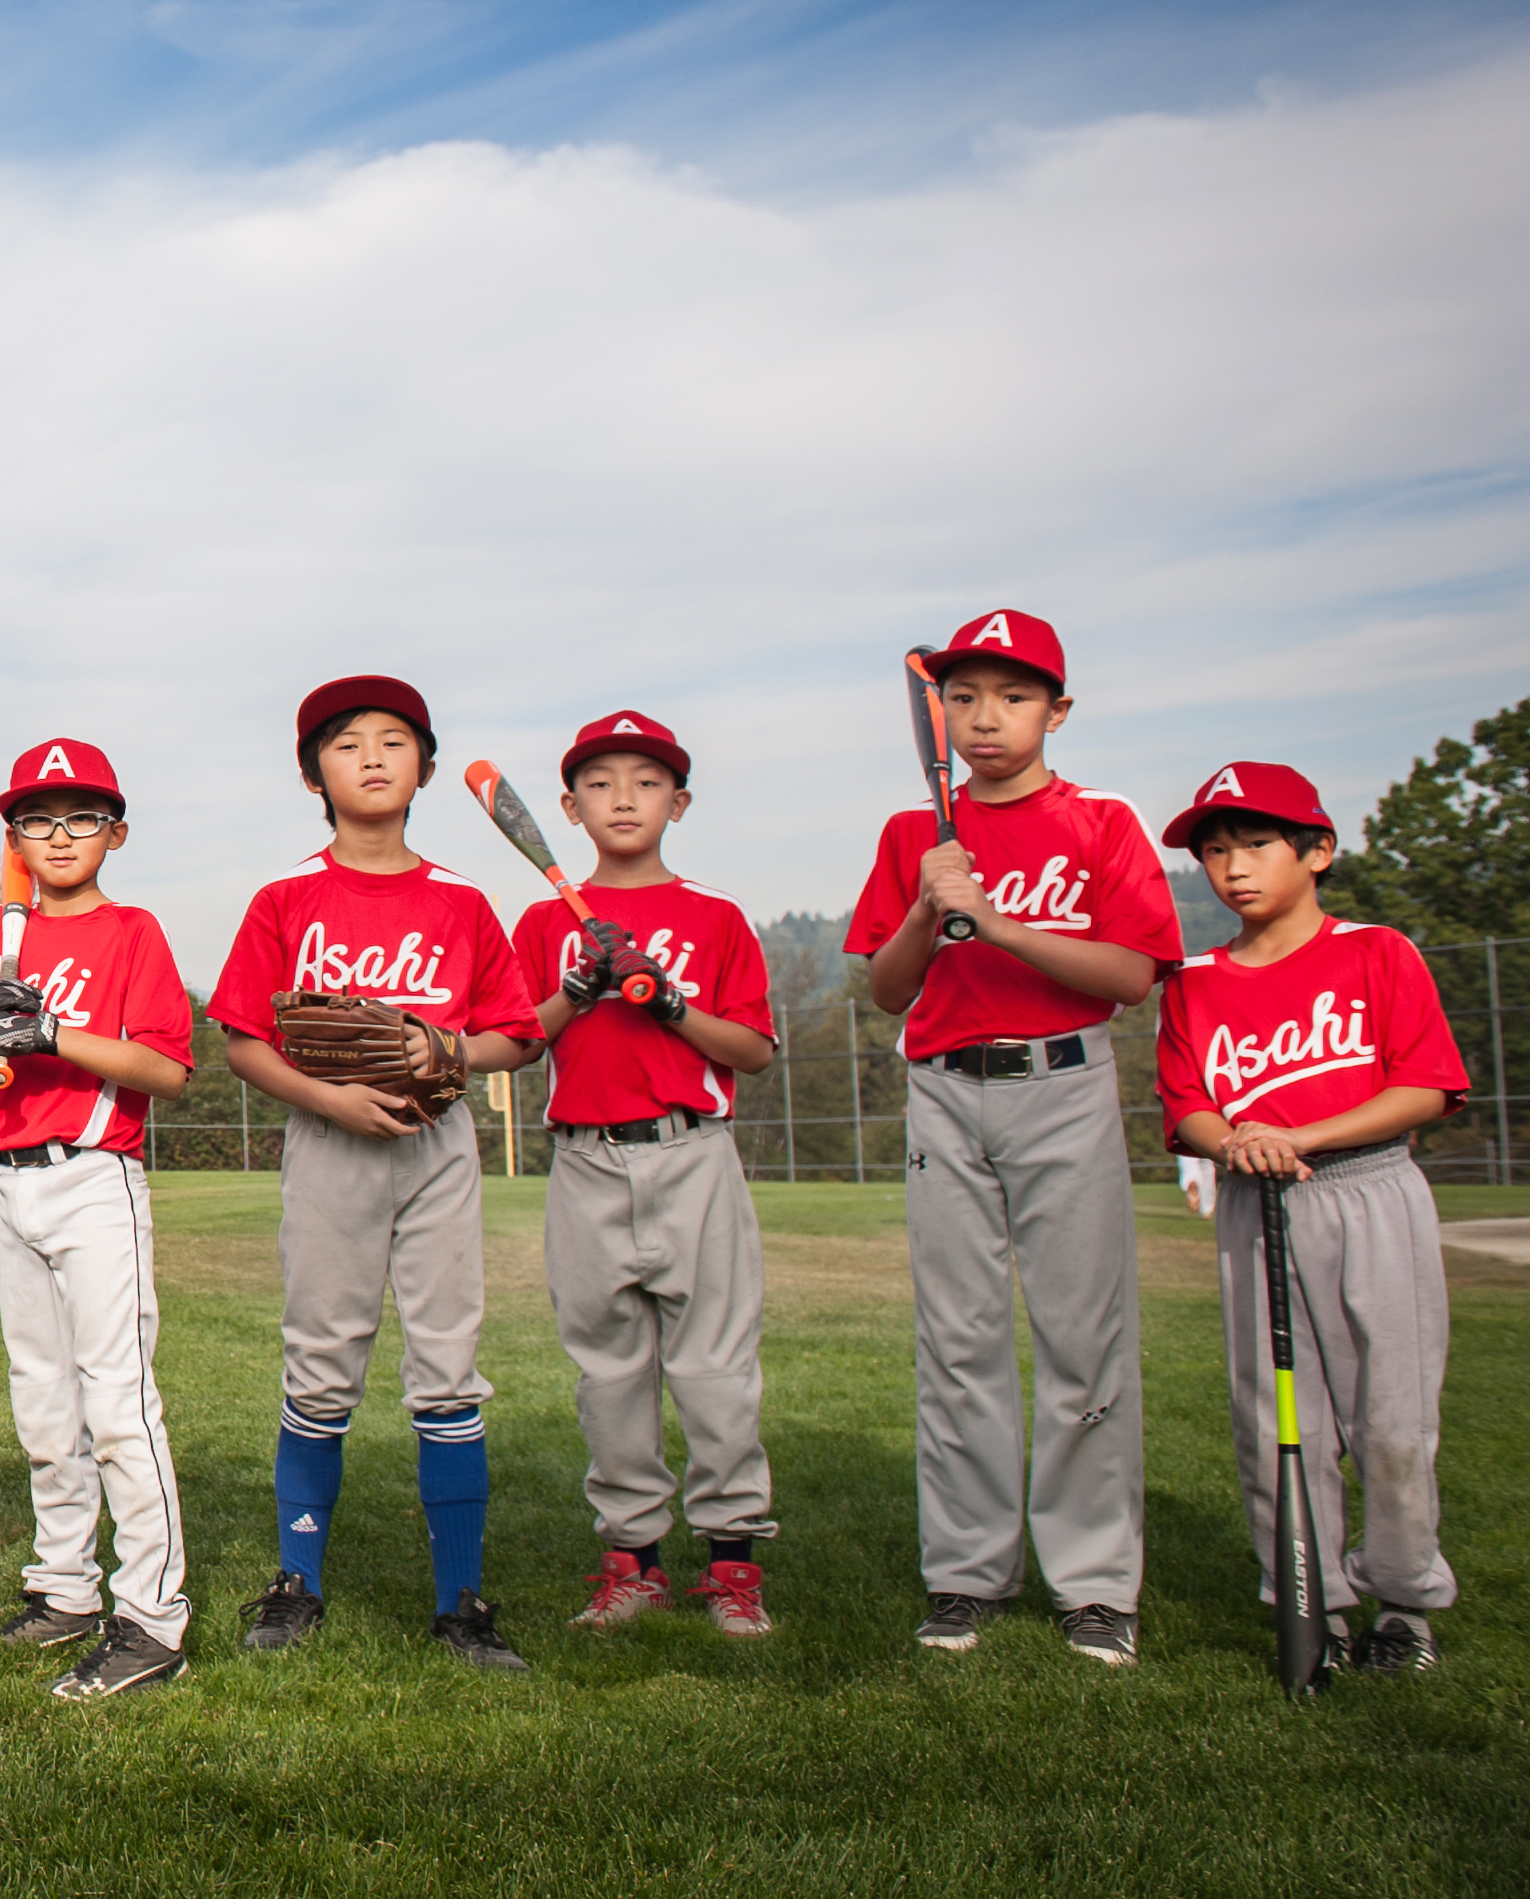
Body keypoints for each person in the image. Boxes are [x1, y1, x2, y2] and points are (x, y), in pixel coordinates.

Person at [845, 610, 1181, 1667]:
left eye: (1013, 695)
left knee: (1082, 1339)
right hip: (944, 1086)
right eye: (963, 696)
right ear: (938, 709)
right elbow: (891, 989)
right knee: (958, 1341)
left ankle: (1092, 1583)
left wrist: (988, 917)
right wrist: (927, 909)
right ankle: (965, 1573)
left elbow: (1129, 976)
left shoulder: (1099, 820)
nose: (984, 717)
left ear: (1057, 710)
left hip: (1063, 1080)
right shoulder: (914, 833)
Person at [209, 677, 545, 1673]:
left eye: (393, 740)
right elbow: (243, 1039)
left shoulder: (460, 901)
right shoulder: (285, 898)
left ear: (425, 769)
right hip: (330, 1139)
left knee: (447, 1365)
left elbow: (515, 1034)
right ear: (314, 770)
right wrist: (333, 1098)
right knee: (320, 1358)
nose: (369, 756)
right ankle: (296, 1578)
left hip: (437, 1143)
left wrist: (451, 1050)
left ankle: (459, 1600)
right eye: (345, 742)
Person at [1153, 761, 1467, 1677]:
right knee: (1277, 1418)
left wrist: (1297, 1132)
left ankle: (1404, 1600)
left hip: (1369, 1189)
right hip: (1259, 1200)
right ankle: (1313, 1599)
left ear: (1317, 849)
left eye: (1254, 843)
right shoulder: (1194, 981)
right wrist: (1232, 1142)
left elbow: (1426, 1084)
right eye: (1213, 850)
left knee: (1393, 1419)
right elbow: (1185, 1107)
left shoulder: (1375, 950)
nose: (1232, 866)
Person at [504, 714, 783, 1639]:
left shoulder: (715, 914)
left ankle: (733, 1562)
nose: (622, 796)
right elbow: (510, 1041)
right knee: (607, 1370)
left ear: (679, 801)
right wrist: (575, 992)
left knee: (712, 1368)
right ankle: (634, 1562)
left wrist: (668, 1001)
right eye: (600, 781)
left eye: (646, 781)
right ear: (569, 807)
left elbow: (749, 1046)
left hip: (691, 1151)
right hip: (583, 1157)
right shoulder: (547, 920)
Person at [0, 739, 198, 1700]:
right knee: (42, 1403)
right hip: (11, 1177)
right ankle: (64, 1588)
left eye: (81, 816)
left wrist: (52, 1031)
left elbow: (166, 1069)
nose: (58, 834)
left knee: (117, 1403)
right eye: (37, 820)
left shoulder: (132, 932)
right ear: (13, 838)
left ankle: (151, 1616)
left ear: (114, 832)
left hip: (94, 1175)